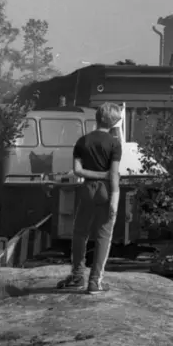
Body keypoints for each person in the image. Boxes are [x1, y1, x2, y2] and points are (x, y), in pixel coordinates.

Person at [57, 103, 122, 294]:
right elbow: (114, 174)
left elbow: (77, 170)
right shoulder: (114, 143)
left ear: (97, 117)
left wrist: (95, 175)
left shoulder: (82, 141)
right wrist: (114, 199)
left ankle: (77, 275)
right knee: (103, 236)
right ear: (114, 121)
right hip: (106, 191)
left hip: (86, 189)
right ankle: (95, 283)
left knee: (80, 232)